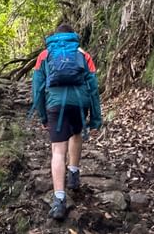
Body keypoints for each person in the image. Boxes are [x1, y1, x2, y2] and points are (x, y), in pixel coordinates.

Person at [31, 23, 102, 220]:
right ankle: (73, 173)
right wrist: (96, 118)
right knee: (77, 134)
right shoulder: (82, 54)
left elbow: (37, 88)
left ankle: (59, 200)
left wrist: (43, 115)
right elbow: (93, 88)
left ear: (55, 36)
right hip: (79, 104)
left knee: (58, 150)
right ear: (72, 36)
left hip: (55, 105)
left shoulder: (45, 55)